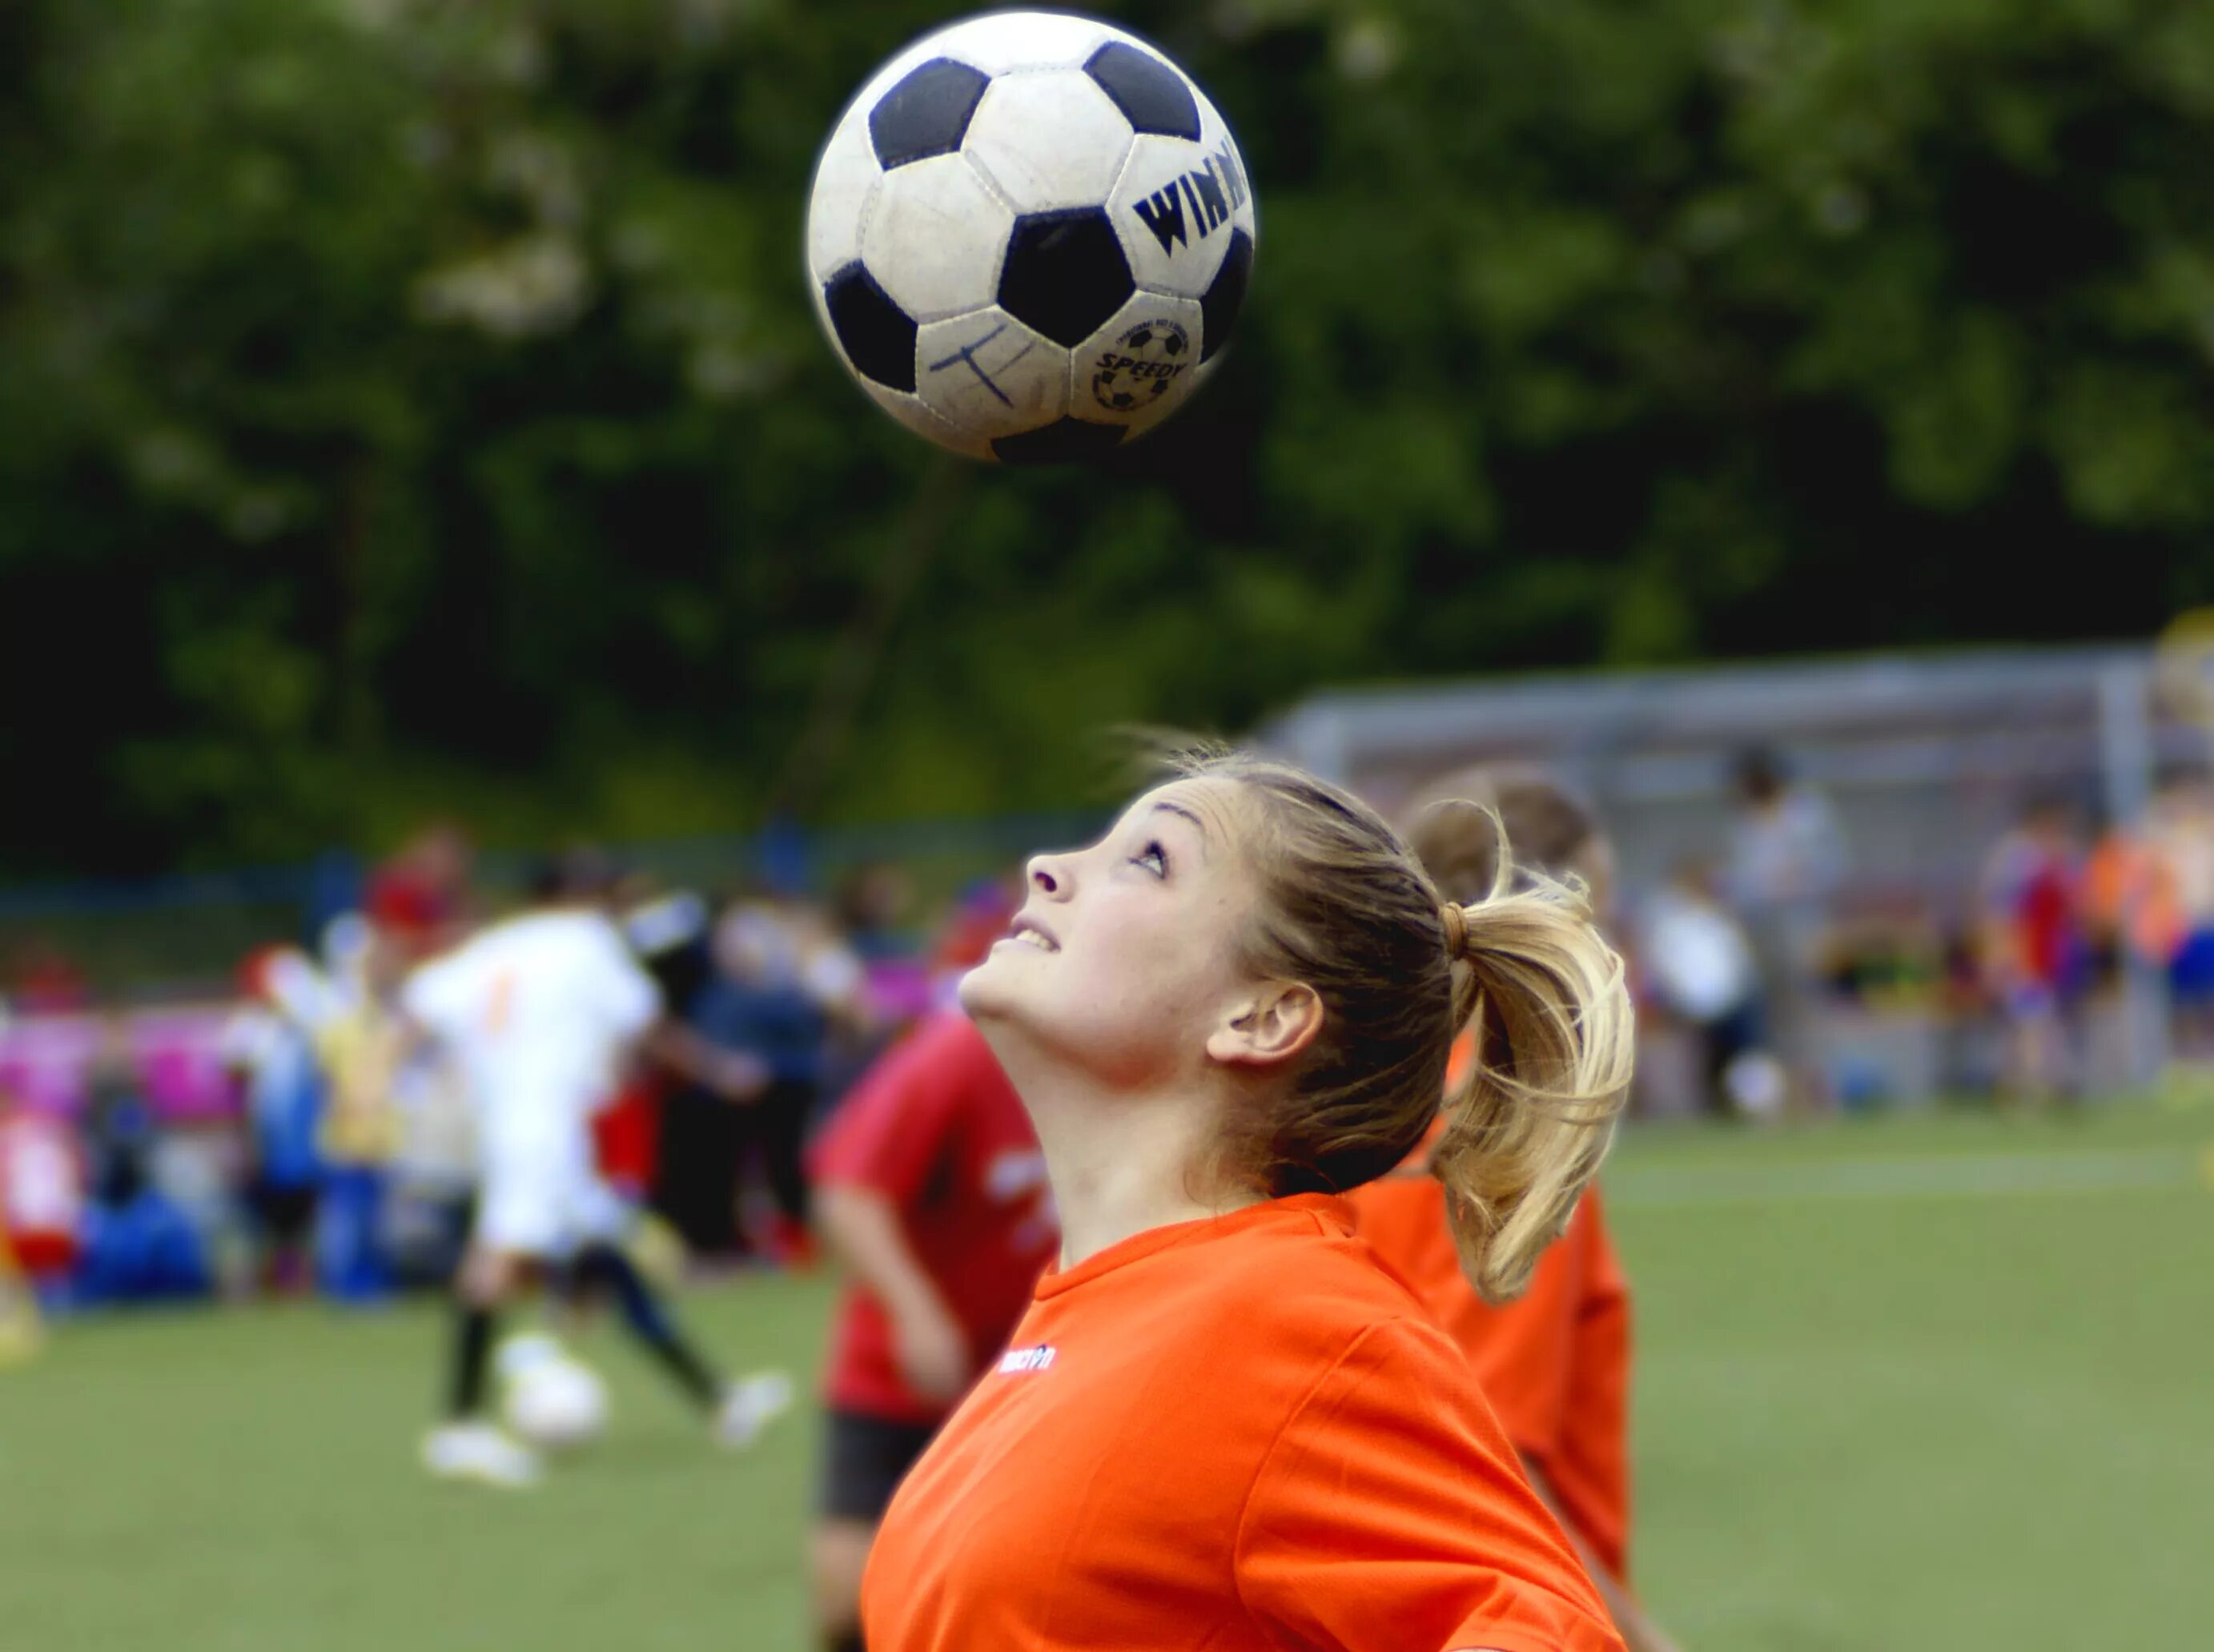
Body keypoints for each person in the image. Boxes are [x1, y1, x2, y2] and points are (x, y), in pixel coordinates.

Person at [862, 750, 1633, 1652]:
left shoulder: (1294, 1323)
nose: (1047, 866)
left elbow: (1548, 1630)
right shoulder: (1089, 1307)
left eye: (1148, 858)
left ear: (1263, 1016)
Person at [1346, 766, 1683, 1652]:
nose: (1614, 958)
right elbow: (1488, 1454)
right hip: (1506, 1611)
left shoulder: (1383, 1098)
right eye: (1596, 920)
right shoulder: (1504, 1122)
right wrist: (1636, 1635)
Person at [403, 851, 790, 1488]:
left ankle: (719, 1400)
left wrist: (373, 1082)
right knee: (494, 1264)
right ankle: (460, 1427)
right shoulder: (583, 941)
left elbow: (418, 1009)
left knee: (605, 1254)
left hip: (513, 1122)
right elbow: (647, 1023)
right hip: (543, 1126)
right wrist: (720, 1070)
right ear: (580, 895)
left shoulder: (496, 945)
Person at [807, 1008, 1055, 1652]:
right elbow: (849, 1193)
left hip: (1047, 1372)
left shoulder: (1143, 1053)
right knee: (847, 1602)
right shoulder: (959, 1056)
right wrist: (915, 1313)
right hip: (906, 1375)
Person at [1723, 747, 1846, 1107]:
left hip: (1798, 920)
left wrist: (1794, 879)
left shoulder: (1804, 814)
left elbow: (1829, 866)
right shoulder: (1746, 821)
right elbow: (1743, 877)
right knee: (1773, 1015)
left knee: (1806, 1010)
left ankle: (1818, 1092)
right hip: (1761, 923)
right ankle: (1784, 1094)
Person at [1979, 795, 2089, 1103]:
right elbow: (1998, 911)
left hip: (2058, 955)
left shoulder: (2064, 857)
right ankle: (2030, 1086)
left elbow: (2077, 905)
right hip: (2025, 954)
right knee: (2030, 1024)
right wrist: (1998, 955)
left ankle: (2039, 1082)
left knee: (2046, 1023)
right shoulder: (2015, 858)